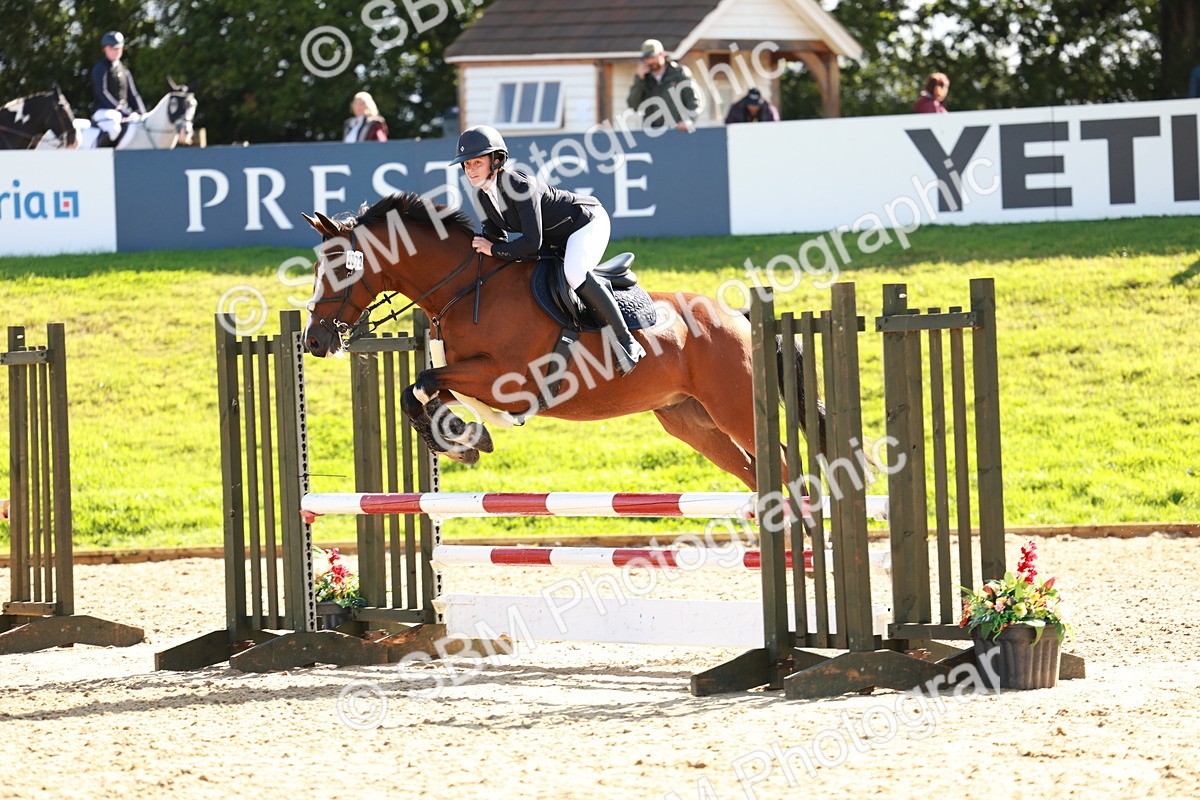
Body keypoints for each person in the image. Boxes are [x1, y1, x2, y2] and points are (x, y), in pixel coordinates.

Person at [450, 125, 645, 376]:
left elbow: (530, 243)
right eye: (466, 164)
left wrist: (495, 250)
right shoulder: (481, 195)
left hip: (586, 222)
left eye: (477, 162)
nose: (470, 169)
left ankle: (627, 341)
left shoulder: (519, 185)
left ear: (496, 160)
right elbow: (495, 239)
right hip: (554, 238)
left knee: (574, 273)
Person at [627, 39, 698, 132]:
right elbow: (633, 106)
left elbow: (693, 99)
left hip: (678, 130)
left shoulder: (679, 73)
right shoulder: (644, 79)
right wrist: (639, 80)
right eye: (647, 59)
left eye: (653, 57)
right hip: (653, 132)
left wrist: (689, 120)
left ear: (662, 54)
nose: (650, 62)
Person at [90, 31, 146, 147]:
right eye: (112, 48)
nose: (116, 51)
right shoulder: (100, 67)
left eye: (118, 48)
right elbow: (102, 92)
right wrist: (118, 108)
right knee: (114, 129)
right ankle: (98, 152)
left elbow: (133, 94)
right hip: (104, 111)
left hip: (123, 111)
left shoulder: (125, 71)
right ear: (105, 49)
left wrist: (142, 113)